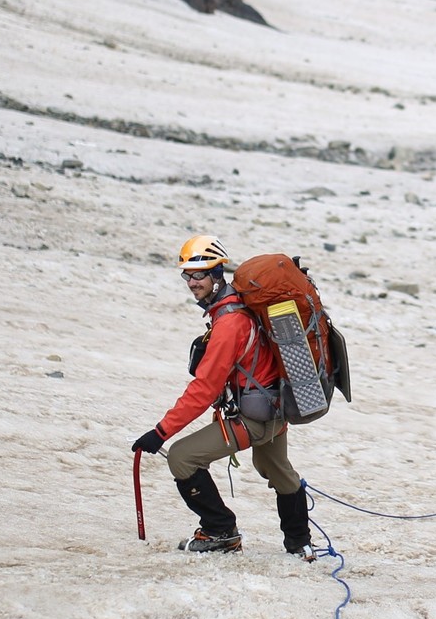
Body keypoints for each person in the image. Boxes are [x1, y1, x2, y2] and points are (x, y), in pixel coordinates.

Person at [131, 235, 314, 558]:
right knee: (279, 471)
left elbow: (204, 389)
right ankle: (300, 542)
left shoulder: (230, 323)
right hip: (276, 409)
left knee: (182, 458)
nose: (191, 282)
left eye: (199, 274)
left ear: (218, 274)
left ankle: (220, 532)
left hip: (254, 418)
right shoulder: (238, 307)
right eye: (186, 274)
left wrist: (161, 433)